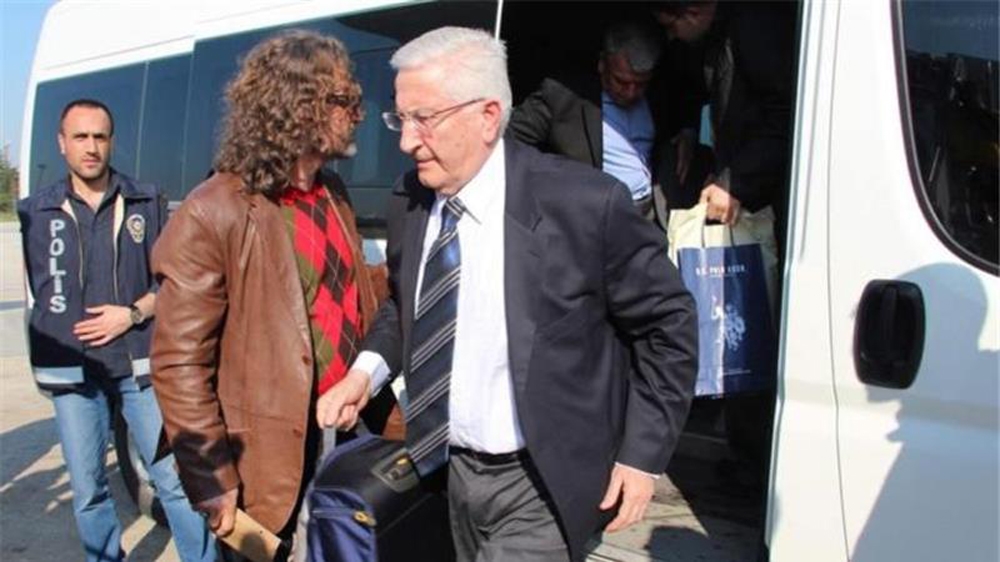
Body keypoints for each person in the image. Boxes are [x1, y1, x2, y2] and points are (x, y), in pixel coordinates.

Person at [318, 27, 698, 562]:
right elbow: (409, 302)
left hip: (541, 483)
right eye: (400, 119)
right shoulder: (410, 200)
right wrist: (365, 373)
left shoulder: (583, 205)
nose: (406, 142)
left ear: (488, 116)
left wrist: (641, 455)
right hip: (443, 472)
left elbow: (669, 324)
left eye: (423, 118)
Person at [149, 30, 391, 557]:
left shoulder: (333, 193)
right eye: (343, 99)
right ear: (296, 105)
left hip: (347, 430)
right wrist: (211, 477)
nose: (358, 113)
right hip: (269, 463)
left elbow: (342, 295)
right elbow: (178, 361)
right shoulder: (214, 209)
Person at [17, 99, 215, 562]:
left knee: (175, 482)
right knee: (88, 490)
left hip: (137, 366)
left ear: (111, 142)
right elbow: (39, 290)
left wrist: (132, 314)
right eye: (80, 137)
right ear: (62, 143)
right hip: (72, 374)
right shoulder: (35, 212)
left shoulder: (146, 200)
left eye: (99, 137)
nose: (91, 147)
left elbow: (172, 283)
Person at [652, 0, 796, 227]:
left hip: (775, 194)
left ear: (693, 14)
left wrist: (733, 182)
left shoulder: (754, 28)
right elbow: (694, 84)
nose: (670, 36)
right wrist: (689, 131)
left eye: (671, 26)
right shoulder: (718, 32)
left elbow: (783, 117)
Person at [509, 20, 663, 220]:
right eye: (621, 82)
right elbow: (508, 139)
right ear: (602, 64)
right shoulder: (563, 97)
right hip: (591, 217)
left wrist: (687, 133)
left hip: (648, 214)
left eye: (640, 84)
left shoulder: (657, 96)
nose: (630, 92)